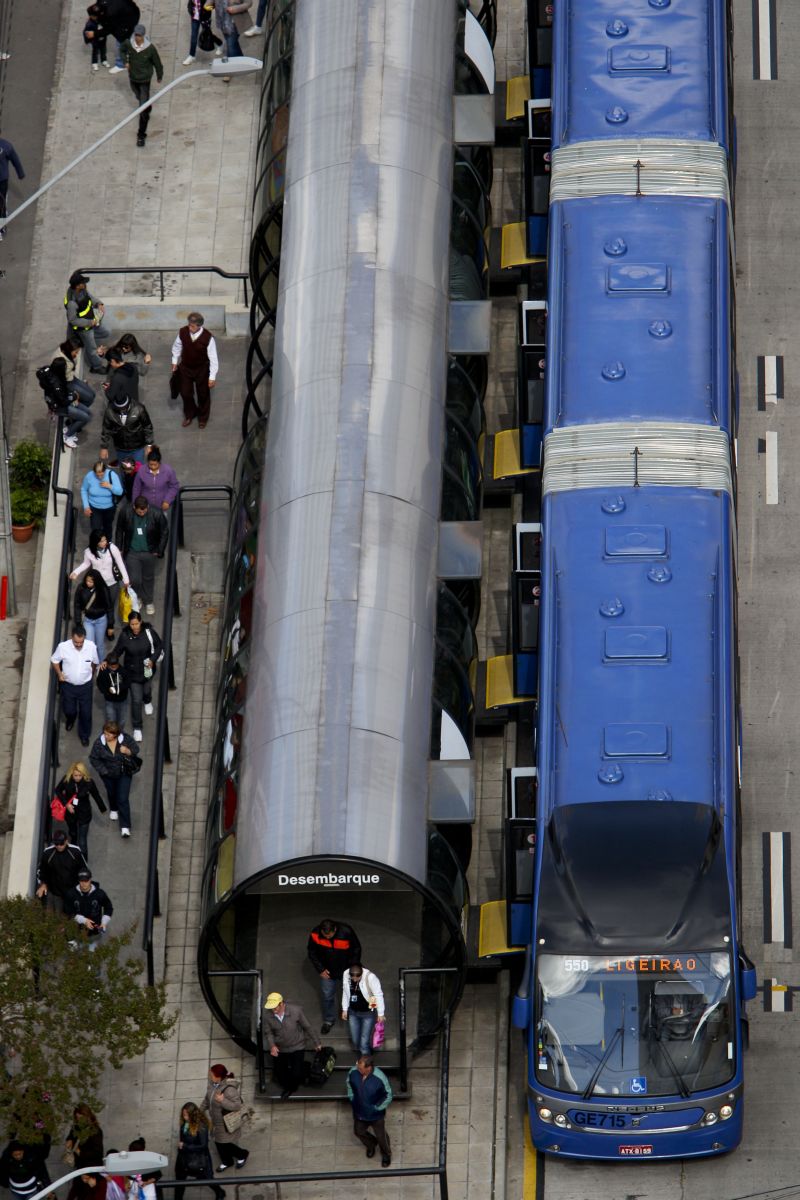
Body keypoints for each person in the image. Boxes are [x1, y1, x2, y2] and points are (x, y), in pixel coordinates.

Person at [109, 612, 162, 740]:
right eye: (132, 624)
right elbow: (117, 651)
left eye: (136, 624)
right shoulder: (125, 636)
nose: (134, 627)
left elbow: (159, 646)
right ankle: (137, 727)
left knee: (147, 689)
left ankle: (147, 700)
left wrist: (153, 660)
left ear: (141, 622)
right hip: (132, 674)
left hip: (147, 669)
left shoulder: (149, 632)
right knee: (136, 700)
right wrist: (107, 660)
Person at [71, 530, 130, 641]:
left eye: (105, 540)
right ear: (95, 542)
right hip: (98, 584)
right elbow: (86, 563)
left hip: (112, 583)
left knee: (110, 606)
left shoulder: (112, 548)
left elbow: (120, 563)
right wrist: (76, 572)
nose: (104, 542)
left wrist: (126, 579)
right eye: (101, 541)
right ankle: (102, 627)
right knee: (99, 605)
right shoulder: (89, 552)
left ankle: (109, 628)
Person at [307, 918, 362, 1034]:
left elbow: (356, 949)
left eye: (330, 935)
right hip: (328, 972)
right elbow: (312, 952)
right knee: (327, 996)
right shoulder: (315, 934)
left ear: (335, 929)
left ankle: (352, 1015)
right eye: (325, 935)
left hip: (346, 970)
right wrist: (320, 969)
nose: (327, 938)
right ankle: (329, 1020)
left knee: (352, 993)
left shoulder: (346, 932)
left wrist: (353, 967)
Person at [262, 994, 321, 1100]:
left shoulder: (296, 1011)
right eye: (271, 1008)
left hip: (297, 1046)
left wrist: (317, 1042)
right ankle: (290, 1082)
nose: (273, 1011)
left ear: (281, 1004)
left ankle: (291, 1088)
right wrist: (272, 1046)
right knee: (280, 1073)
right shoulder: (267, 1016)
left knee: (296, 1074)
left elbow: (307, 1027)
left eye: (275, 1008)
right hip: (281, 1048)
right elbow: (268, 1033)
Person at [116, 498, 167, 616]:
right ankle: (137, 596)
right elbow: (119, 529)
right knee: (134, 578)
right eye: (140, 512)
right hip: (132, 551)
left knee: (148, 578)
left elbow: (164, 532)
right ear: (134, 508)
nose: (142, 513)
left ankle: (148, 601)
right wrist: (119, 547)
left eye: (144, 511)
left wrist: (159, 550)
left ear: (148, 507)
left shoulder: (157, 513)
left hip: (149, 551)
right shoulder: (125, 512)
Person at [50, 625, 100, 747]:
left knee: (86, 713)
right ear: (71, 638)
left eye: (81, 642)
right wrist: (59, 674)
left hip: (85, 686)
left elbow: (95, 663)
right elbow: (54, 660)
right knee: (69, 710)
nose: (78, 645)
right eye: (76, 642)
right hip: (68, 686)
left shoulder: (91, 647)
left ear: (84, 638)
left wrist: (90, 675)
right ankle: (71, 718)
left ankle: (84, 735)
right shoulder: (63, 647)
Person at [89, 721, 139, 837]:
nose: (105, 736)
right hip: (108, 775)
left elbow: (136, 749)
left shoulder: (126, 739)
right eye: (105, 733)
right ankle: (114, 808)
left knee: (123, 798)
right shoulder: (99, 743)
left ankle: (125, 826)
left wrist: (128, 751)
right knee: (111, 793)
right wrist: (104, 771)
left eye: (108, 734)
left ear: (115, 735)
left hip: (124, 773)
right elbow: (93, 758)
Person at [172, 313, 219, 429]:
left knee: (203, 394)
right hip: (185, 368)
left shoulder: (208, 338)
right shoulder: (183, 332)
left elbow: (213, 358)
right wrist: (174, 361)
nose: (189, 327)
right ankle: (190, 413)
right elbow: (177, 346)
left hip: (201, 369)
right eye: (189, 325)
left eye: (192, 326)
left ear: (199, 326)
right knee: (185, 392)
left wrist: (212, 377)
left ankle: (203, 418)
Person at [119, 24, 163, 148]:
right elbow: (122, 50)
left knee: (142, 108)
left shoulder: (150, 49)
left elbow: (157, 62)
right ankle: (147, 105)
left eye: (139, 35)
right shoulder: (129, 44)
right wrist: (125, 61)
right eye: (136, 35)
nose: (137, 38)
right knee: (138, 96)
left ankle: (141, 135)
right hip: (133, 78)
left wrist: (159, 75)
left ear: (143, 36)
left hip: (145, 80)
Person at [52, 762, 107, 860]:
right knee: (73, 834)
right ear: (72, 774)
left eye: (80, 775)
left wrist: (102, 809)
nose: (77, 777)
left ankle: (84, 862)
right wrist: (66, 804)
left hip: (84, 813)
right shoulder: (67, 779)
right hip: (70, 814)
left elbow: (96, 795)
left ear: (84, 774)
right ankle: (74, 856)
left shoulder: (89, 782)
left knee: (82, 841)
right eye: (75, 775)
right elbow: (58, 790)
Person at [346, 1055, 392, 1168]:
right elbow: (349, 1084)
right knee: (358, 1131)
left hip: (376, 1115)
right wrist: (352, 1098)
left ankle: (386, 1154)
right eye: (357, 1066)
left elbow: (388, 1095)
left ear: (369, 1068)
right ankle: (371, 1144)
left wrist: (376, 1108)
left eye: (360, 1068)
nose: (357, 1069)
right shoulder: (353, 1072)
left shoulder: (380, 1078)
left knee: (381, 1137)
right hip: (359, 1112)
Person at [201, 1065, 248, 1172]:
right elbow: (207, 1100)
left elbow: (237, 1106)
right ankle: (228, 1161)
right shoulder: (212, 1084)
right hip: (216, 1120)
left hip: (225, 1123)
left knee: (222, 1143)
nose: (210, 1076)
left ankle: (241, 1154)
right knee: (219, 1142)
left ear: (219, 1077)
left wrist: (222, 1101)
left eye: (211, 1075)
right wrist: (200, 1111)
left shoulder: (229, 1090)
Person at [174, 1103, 225, 1200]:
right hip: (183, 1158)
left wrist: (185, 1146)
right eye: (183, 1114)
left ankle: (220, 1192)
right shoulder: (185, 1123)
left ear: (193, 1115)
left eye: (186, 1115)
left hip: (198, 1158)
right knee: (179, 1181)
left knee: (207, 1178)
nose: (184, 1117)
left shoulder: (201, 1127)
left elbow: (203, 1145)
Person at [51, 338, 97, 443]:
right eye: (76, 352)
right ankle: (70, 430)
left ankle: (76, 419)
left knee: (92, 396)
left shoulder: (66, 354)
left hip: (71, 379)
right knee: (87, 414)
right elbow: (63, 388)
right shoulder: (60, 362)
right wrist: (73, 396)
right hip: (68, 384)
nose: (77, 354)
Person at [64, 273, 110, 374]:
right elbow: (73, 320)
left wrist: (98, 303)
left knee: (106, 333)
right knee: (92, 349)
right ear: (77, 286)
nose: (85, 284)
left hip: (92, 321)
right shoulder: (72, 303)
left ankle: (83, 340)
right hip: (84, 329)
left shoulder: (82, 290)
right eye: (83, 282)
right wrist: (89, 323)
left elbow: (90, 297)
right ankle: (96, 367)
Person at [35, 833, 88, 911]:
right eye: (56, 844)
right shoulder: (48, 853)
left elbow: (84, 869)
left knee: (72, 914)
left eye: (61, 843)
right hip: (55, 892)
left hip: (72, 891)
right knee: (55, 914)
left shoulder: (75, 851)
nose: (59, 846)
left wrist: (82, 886)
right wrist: (43, 884)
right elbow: (41, 870)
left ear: (66, 841)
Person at [99, 390, 154, 466]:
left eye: (124, 407)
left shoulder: (139, 408)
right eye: (119, 408)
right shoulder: (109, 411)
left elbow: (147, 426)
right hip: (120, 447)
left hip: (137, 447)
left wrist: (149, 445)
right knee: (123, 468)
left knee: (138, 468)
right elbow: (106, 429)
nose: (122, 410)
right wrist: (104, 447)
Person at [341, 963, 385, 1056]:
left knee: (364, 1042)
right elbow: (345, 991)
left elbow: (378, 995)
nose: (354, 980)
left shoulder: (371, 977)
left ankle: (365, 1061)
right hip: (353, 1012)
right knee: (355, 1040)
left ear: (361, 974)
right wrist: (345, 1009)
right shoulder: (346, 974)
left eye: (357, 977)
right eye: (352, 977)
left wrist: (380, 1013)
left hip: (368, 1013)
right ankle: (367, 1051)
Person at [68, 871, 113, 946]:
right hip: (77, 932)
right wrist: (83, 920)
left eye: (86, 880)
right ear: (78, 881)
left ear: (90, 880)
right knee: (77, 951)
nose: (84, 883)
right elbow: (68, 910)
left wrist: (104, 922)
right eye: (81, 881)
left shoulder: (100, 893)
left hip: (94, 933)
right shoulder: (71, 894)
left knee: (91, 951)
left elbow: (109, 908)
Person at [80, 462, 123, 540]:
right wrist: (86, 506)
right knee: (96, 529)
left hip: (109, 508)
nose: (99, 477)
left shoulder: (112, 475)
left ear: (105, 471)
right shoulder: (89, 476)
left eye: (102, 475)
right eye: (97, 475)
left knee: (108, 527)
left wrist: (110, 486)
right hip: (94, 507)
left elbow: (120, 492)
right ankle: (96, 545)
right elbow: (84, 490)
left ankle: (108, 543)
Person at [74, 571, 114, 650]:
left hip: (101, 620)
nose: (88, 583)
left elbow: (109, 607)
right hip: (87, 620)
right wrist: (78, 622)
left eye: (91, 582)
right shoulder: (81, 588)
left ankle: (101, 658)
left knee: (100, 645)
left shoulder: (103, 589)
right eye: (87, 581)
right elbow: (77, 605)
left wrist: (110, 625)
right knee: (90, 645)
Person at [132, 447, 179, 512]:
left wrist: (167, 500)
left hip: (163, 506)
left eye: (155, 465)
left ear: (159, 462)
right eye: (150, 464)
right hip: (145, 506)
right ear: (147, 462)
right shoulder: (141, 471)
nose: (153, 467)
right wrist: (135, 503)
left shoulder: (168, 471)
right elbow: (136, 488)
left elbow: (174, 486)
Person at [0, 136, 24, 240]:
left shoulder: (6, 146)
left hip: (2, 181)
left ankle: (1, 229)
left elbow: (15, 159)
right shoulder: (6, 145)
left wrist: (20, 173)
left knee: (0, 204)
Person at [96, 654, 129, 727]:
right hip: (109, 700)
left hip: (122, 700)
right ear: (107, 664)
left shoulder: (123, 671)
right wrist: (106, 692)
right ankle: (112, 733)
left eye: (115, 666)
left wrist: (119, 688)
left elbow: (127, 683)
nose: (114, 668)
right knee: (111, 720)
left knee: (122, 720)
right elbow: (99, 683)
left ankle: (120, 732)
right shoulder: (103, 671)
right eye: (112, 667)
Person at [83, 5, 109, 71]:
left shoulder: (101, 20)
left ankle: (104, 60)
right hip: (95, 40)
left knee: (103, 50)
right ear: (91, 16)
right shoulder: (89, 24)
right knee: (95, 51)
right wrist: (87, 40)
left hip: (103, 39)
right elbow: (86, 33)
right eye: (95, 16)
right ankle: (94, 62)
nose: (97, 17)